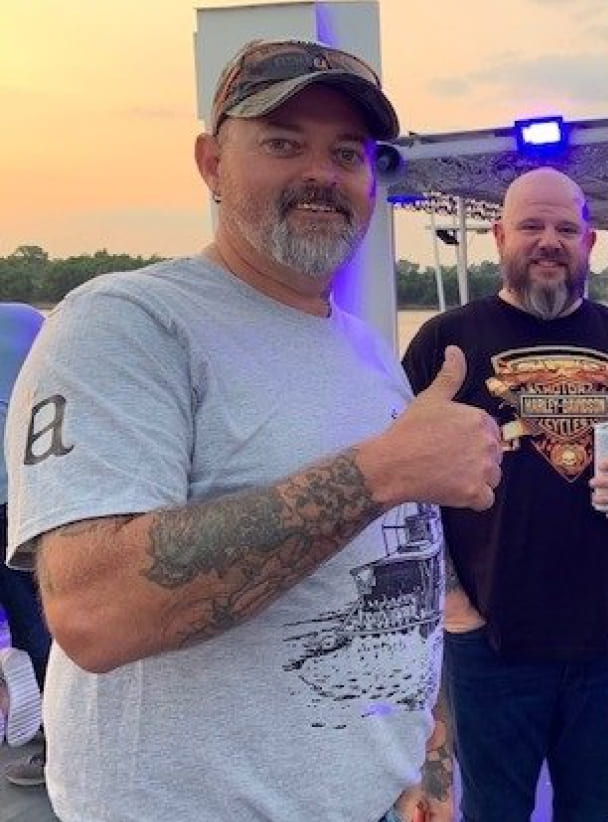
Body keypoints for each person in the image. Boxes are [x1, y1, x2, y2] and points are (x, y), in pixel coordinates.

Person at [3, 39, 504, 821]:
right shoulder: (126, 326)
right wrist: (379, 473)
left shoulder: (367, 351)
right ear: (211, 163)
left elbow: (407, 573)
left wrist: (431, 758)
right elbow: (92, 611)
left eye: (348, 152)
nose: (322, 173)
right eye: (282, 142)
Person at [400, 167, 608, 821]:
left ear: (589, 240)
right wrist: (456, 608)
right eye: (531, 225)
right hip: (492, 643)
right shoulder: (445, 343)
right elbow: (401, 491)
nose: (548, 241)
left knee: (594, 810)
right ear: (499, 234)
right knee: (494, 811)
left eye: (566, 228)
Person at [0, 302, 50, 787]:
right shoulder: (28, 320)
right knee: (36, 619)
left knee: (28, 625)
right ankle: (58, 741)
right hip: (28, 491)